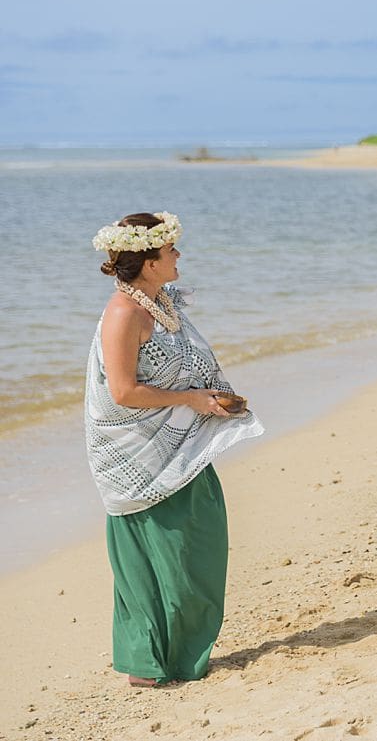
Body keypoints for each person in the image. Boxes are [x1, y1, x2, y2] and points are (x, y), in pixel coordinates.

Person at [85, 211, 263, 685]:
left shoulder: (158, 301)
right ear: (148, 263)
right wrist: (191, 399)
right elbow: (122, 392)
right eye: (170, 251)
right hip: (139, 453)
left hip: (179, 444)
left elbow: (177, 362)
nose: (179, 256)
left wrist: (208, 396)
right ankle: (149, 663)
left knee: (199, 546)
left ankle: (180, 653)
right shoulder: (123, 313)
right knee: (166, 553)